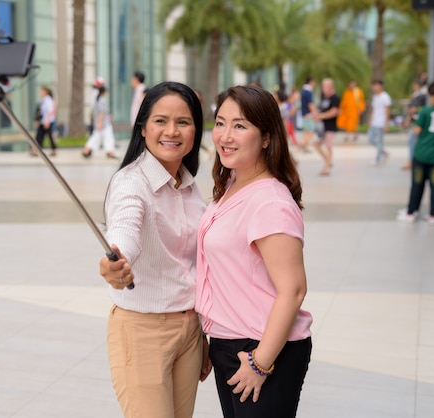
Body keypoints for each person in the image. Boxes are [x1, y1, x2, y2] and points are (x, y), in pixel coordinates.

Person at [196, 85, 313, 418]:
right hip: (230, 344)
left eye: (240, 125)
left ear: (266, 137)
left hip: (263, 349)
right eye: (220, 123)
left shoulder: (271, 202)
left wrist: (261, 363)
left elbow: (293, 290)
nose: (225, 136)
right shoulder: (232, 184)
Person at [99, 81, 212, 418]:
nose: (171, 131)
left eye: (184, 121)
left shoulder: (190, 187)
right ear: (143, 127)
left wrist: (202, 332)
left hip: (190, 332)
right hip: (142, 331)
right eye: (161, 120)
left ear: (196, 130)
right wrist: (117, 263)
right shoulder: (131, 183)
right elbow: (124, 229)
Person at [396, 80, 434, 224]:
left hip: (421, 154)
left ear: (433, 96)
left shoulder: (426, 111)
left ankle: (411, 212)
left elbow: (416, 131)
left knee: (417, 184)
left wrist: (414, 117)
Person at [81, 85, 117, 159]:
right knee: (108, 137)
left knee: (96, 137)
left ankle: (87, 150)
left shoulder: (98, 99)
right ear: (103, 92)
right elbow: (101, 113)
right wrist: (100, 123)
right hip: (103, 124)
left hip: (100, 123)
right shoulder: (102, 100)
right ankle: (110, 152)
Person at [314, 78, 340, 176]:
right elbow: (320, 109)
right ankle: (328, 161)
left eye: (327, 86)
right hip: (322, 127)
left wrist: (322, 116)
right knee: (316, 144)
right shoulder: (324, 97)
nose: (325, 89)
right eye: (324, 86)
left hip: (330, 126)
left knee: (329, 146)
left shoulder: (334, 98)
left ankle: (327, 167)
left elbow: (334, 111)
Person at [401, 79, 427, 170]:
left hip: (418, 122)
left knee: (412, 140)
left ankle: (412, 161)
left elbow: (413, 109)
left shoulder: (420, 96)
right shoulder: (418, 95)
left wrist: (407, 120)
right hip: (417, 122)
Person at [368, 80, 392, 165]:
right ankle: (383, 151)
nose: (375, 88)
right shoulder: (375, 96)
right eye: (374, 86)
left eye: (377, 86)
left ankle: (377, 159)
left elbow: (387, 111)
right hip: (374, 122)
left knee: (379, 141)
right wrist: (371, 120)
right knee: (370, 139)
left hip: (381, 122)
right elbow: (374, 109)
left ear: (382, 86)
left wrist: (386, 124)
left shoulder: (385, 97)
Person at [32, 85, 57, 157]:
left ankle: (37, 150)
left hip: (47, 121)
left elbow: (50, 111)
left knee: (43, 136)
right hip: (44, 121)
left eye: (41, 91)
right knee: (40, 136)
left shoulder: (48, 100)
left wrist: (47, 121)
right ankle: (37, 150)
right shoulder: (44, 100)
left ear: (46, 92)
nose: (40, 93)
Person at [299, 77, 317, 152]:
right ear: (311, 82)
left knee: (306, 131)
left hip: (304, 113)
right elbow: (310, 103)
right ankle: (302, 144)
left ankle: (305, 146)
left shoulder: (303, 91)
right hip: (308, 114)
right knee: (310, 131)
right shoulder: (308, 91)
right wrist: (315, 112)